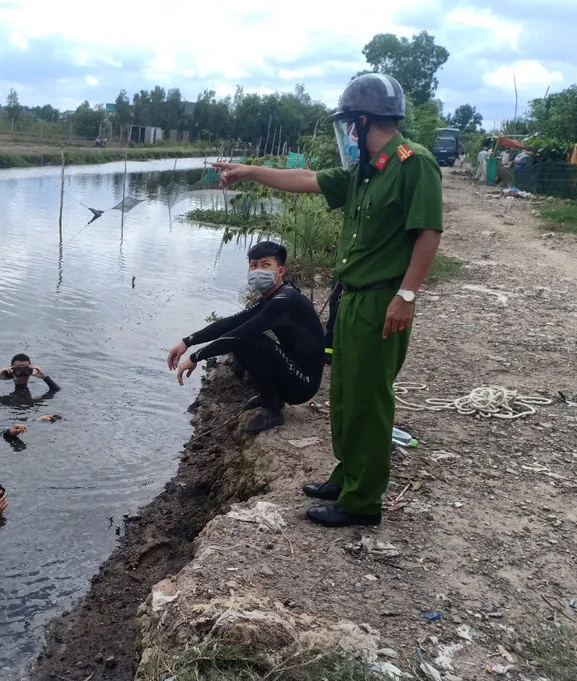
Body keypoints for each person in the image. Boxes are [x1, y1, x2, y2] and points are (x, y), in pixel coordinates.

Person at [214, 73, 443, 528]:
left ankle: (363, 503)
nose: (348, 135)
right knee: (344, 394)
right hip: (352, 299)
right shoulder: (365, 169)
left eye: (350, 125)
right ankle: (348, 474)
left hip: (382, 301)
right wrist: (251, 171)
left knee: (369, 400)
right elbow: (305, 178)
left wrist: (407, 295)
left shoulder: (412, 162)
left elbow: (428, 233)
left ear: (363, 119)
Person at [167, 240, 325, 434]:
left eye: (266, 265)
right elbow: (231, 322)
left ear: (281, 271)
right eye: (253, 265)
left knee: (247, 340)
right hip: (294, 374)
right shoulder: (272, 297)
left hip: (303, 384)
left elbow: (239, 334)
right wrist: (187, 342)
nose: (258, 270)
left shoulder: (286, 300)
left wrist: (195, 357)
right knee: (243, 337)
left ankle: (272, 412)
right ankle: (272, 398)